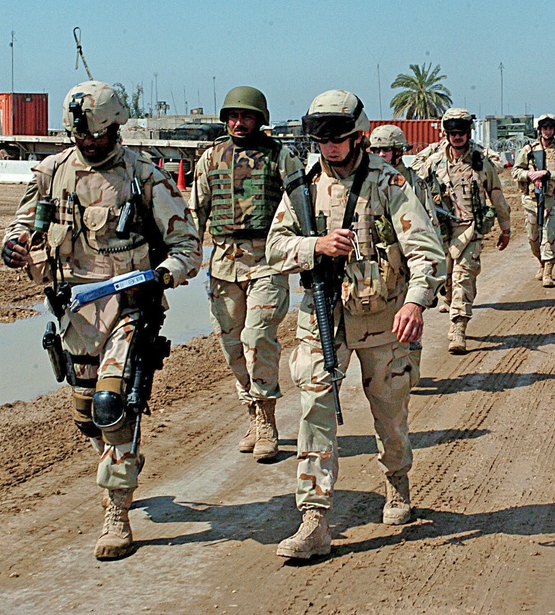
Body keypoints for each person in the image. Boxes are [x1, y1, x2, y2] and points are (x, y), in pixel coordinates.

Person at [1, 80, 201, 559]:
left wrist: (163, 277)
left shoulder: (143, 176)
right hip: (75, 310)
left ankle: (116, 511)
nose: (88, 144)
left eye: (97, 134)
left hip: (130, 305)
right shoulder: (52, 173)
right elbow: (24, 224)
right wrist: (12, 244)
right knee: (87, 413)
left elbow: (188, 246)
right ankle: (122, 455)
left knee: (112, 403)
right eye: (81, 135)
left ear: (115, 128)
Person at [267, 90, 445, 559]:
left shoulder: (389, 184)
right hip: (322, 313)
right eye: (322, 141)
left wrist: (416, 303)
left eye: (339, 140)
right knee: (314, 410)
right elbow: (275, 249)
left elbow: (427, 252)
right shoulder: (302, 188)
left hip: (384, 317)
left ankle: (397, 479)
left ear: (358, 137)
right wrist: (315, 247)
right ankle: (314, 519)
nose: (330, 149)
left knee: (389, 410)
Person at [189, 86, 302, 462]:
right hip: (222, 262)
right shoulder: (210, 158)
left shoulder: (280, 157)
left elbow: (302, 205)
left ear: (260, 119)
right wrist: (186, 256)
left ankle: (268, 417)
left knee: (258, 337)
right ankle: (252, 414)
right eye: (234, 116)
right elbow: (196, 212)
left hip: (268, 259)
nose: (239, 123)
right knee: (232, 344)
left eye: (247, 116)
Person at [417, 107, 511, 354]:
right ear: (446, 134)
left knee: (464, 277)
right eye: (452, 132)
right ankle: (451, 303)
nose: (457, 137)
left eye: (461, 132)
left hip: (471, 230)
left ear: (469, 133)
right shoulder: (434, 162)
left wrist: (506, 228)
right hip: (442, 233)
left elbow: (497, 196)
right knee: (446, 281)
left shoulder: (481, 162)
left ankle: (458, 328)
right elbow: (416, 192)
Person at [368, 124, 439, 387]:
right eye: (375, 150)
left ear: (399, 152)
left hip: (410, 263)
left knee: (409, 320)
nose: (380, 155)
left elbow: (431, 226)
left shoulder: (414, 183)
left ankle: (411, 372)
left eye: (386, 150)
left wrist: (432, 270)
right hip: (380, 265)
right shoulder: (369, 181)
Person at [511, 114, 555, 287]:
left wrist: (547, 174)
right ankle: (541, 261)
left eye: (550, 128)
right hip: (531, 200)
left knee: (550, 235)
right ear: (540, 130)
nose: (547, 131)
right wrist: (529, 175)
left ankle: (548, 271)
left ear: (554, 130)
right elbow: (515, 171)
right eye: (544, 128)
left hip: (553, 200)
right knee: (533, 238)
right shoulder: (529, 150)